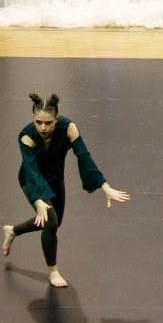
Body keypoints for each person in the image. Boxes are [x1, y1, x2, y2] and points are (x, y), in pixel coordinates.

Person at [2, 94, 130, 287]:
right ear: (32, 117)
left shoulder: (68, 128)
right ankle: (53, 271)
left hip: (55, 178)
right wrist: (38, 199)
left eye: (48, 122)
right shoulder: (26, 136)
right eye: (38, 122)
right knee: (50, 221)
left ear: (56, 119)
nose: (43, 127)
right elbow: (31, 170)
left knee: (53, 223)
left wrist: (105, 186)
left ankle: (13, 231)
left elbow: (84, 156)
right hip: (31, 180)